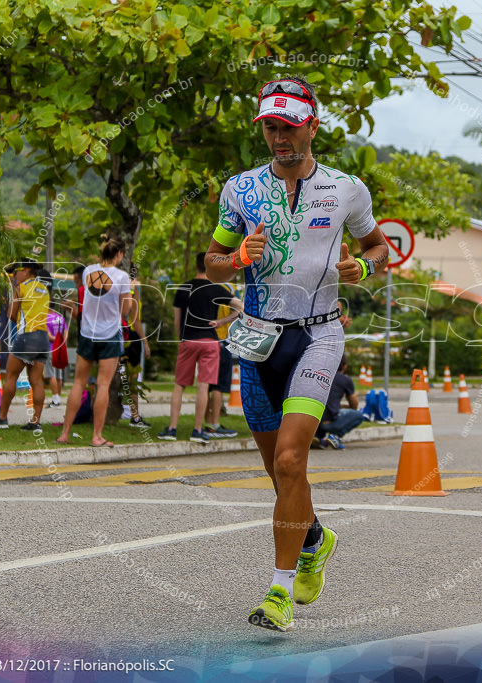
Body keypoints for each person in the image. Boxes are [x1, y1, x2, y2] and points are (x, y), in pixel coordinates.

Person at [205, 76, 389, 632]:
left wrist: (369, 267)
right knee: (277, 470)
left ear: (312, 124)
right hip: (257, 338)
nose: (278, 137)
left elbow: (377, 245)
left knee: (290, 461)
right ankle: (315, 537)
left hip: (318, 334)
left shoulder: (346, 189)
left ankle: (280, 592)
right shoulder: (239, 189)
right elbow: (211, 261)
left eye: (287, 126)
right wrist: (236, 255)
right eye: (269, 127)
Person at [159, 252, 242, 444]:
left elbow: (177, 320)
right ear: (210, 266)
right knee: (204, 386)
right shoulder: (216, 289)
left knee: (179, 385)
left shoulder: (183, 288)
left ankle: (172, 429)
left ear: (195, 266)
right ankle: (197, 430)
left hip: (188, 340)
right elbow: (240, 307)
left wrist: (181, 338)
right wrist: (222, 322)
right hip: (210, 342)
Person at [57, 238, 132, 448]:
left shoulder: (88, 270)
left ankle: (64, 433)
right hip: (109, 336)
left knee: (78, 382)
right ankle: (97, 436)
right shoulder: (122, 276)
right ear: (119, 254)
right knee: (103, 384)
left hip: (87, 333)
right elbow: (125, 310)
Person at [0, 257, 50, 430]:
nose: (14, 276)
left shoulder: (20, 288)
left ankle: (2, 418)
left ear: (26, 271)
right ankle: (35, 422)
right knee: (36, 381)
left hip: (26, 337)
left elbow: (11, 314)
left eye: (16, 272)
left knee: (11, 376)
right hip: (43, 338)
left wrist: (20, 321)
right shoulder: (44, 288)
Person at [204, 281, 239, 439]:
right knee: (218, 386)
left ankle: (206, 422)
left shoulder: (205, 286)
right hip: (222, 341)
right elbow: (240, 310)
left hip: (204, 340)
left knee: (206, 385)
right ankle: (215, 425)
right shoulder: (229, 288)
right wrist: (223, 322)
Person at [120, 281, 152, 428]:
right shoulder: (134, 289)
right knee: (133, 377)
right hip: (131, 336)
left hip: (114, 333)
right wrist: (145, 342)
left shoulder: (112, 285)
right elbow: (136, 320)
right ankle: (134, 415)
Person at [315, 358, 365, 449]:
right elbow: (354, 405)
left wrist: (339, 406)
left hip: (314, 421)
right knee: (359, 415)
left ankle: (317, 437)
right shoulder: (345, 379)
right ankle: (336, 436)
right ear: (345, 367)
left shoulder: (320, 375)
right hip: (329, 422)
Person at [45, 307, 68, 407]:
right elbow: (66, 333)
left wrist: (55, 340)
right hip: (60, 349)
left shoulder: (45, 318)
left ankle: (55, 399)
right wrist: (61, 341)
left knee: (51, 374)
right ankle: (58, 397)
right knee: (59, 375)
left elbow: (48, 336)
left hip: (50, 348)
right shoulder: (61, 318)